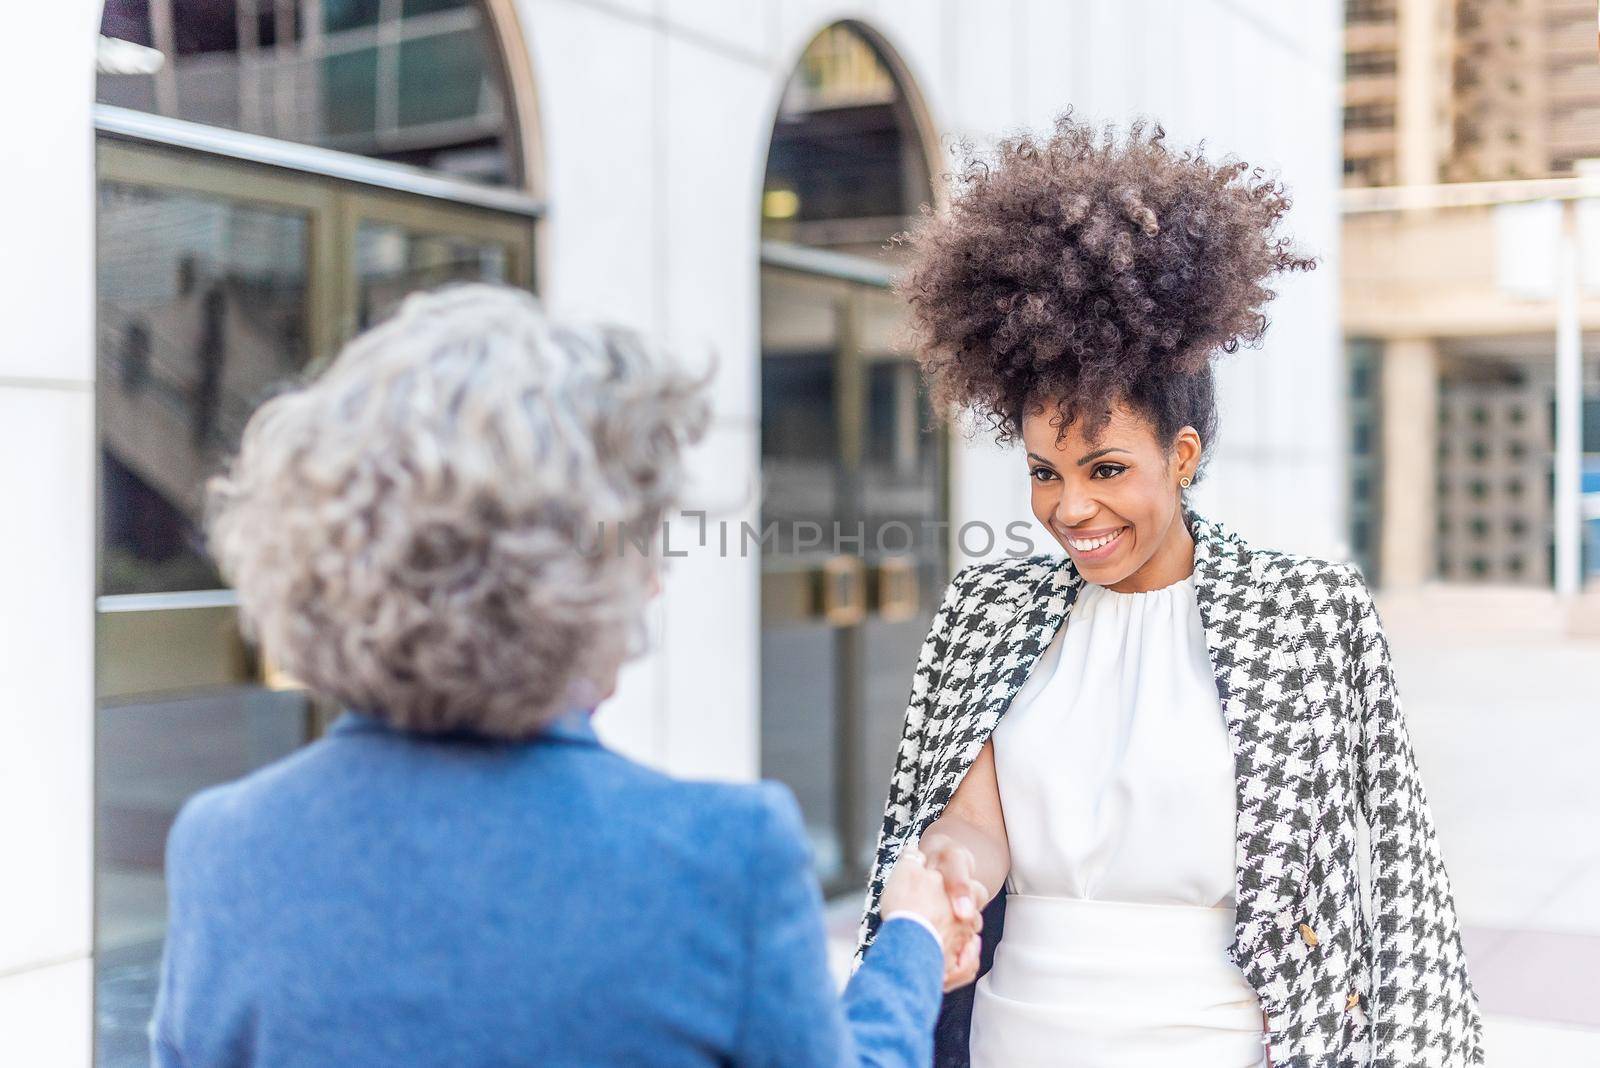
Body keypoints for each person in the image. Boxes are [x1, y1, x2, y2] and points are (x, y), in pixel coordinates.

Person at [149, 284, 983, 1067]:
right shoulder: (722, 859)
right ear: (566, 580)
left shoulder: (224, 844)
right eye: (640, 542)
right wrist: (908, 941)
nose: (655, 579)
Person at [854, 113, 1486, 1067]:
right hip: (1013, 1039)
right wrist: (946, 867)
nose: (1069, 509)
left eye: (1105, 469)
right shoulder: (988, 614)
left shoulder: (1306, 613)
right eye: (1043, 472)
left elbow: (1397, 871)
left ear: (1182, 455)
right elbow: (974, 824)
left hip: (1220, 1040)